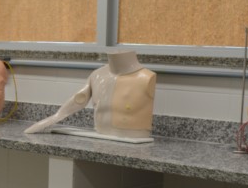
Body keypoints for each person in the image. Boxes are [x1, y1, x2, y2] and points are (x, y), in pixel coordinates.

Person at [25, 50, 156, 138]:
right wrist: (52, 119)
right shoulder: (97, 75)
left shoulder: (147, 77)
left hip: (135, 140)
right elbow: (78, 100)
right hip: (100, 138)